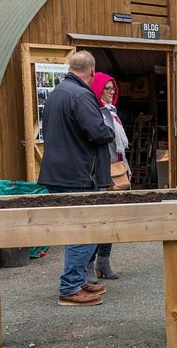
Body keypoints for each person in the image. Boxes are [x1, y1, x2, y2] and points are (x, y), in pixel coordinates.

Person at [38, 50, 116, 306]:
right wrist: (108, 129)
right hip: (78, 174)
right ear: (92, 72)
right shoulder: (81, 95)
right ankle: (70, 287)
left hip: (57, 174)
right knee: (85, 229)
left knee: (77, 229)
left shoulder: (56, 94)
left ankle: (80, 279)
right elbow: (98, 132)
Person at [88, 72, 131, 280]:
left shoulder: (113, 112)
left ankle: (103, 263)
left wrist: (126, 169)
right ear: (97, 88)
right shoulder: (95, 112)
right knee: (98, 220)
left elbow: (120, 146)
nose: (111, 92)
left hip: (117, 170)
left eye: (113, 88)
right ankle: (89, 265)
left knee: (112, 219)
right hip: (101, 173)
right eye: (107, 88)